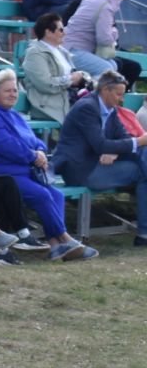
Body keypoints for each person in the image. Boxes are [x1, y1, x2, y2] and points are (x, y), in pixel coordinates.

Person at [0, 69, 91, 261]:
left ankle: (55, 246)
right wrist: (32, 156)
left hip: (24, 170)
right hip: (2, 173)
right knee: (42, 195)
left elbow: (33, 139)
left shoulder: (13, 114)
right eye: (8, 91)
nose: (13, 94)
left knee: (56, 195)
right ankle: (65, 239)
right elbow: (4, 144)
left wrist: (39, 151)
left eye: (15, 90)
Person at [52, 69, 147, 244]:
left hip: (97, 163)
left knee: (144, 158)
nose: (122, 99)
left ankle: (144, 235)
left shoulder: (110, 109)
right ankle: (143, 234)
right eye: (119, 94)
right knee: (143, 164)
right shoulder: (86, 108)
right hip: (81, 171)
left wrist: (116, 151)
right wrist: (139, 141)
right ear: (105, 90)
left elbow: (123, 138)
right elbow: (101, 144)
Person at [63, 0, 138, 85]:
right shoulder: (106, 7)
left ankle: (98, 97)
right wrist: (114, 32)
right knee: (106, 69)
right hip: (74, 50)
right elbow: (103, 39)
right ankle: (90, 97)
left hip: (68, 46)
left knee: (113, 65)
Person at [21, 13, 90, 126]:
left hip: (68, 101)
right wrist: (70, 80)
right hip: (49, 107)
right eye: (61, 30)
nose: (64, 33)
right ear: (48, 32)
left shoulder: (62, 51)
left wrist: (82, 77)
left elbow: (75, 75)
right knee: (90, 121)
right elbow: (45, 84)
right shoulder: (35, 53)